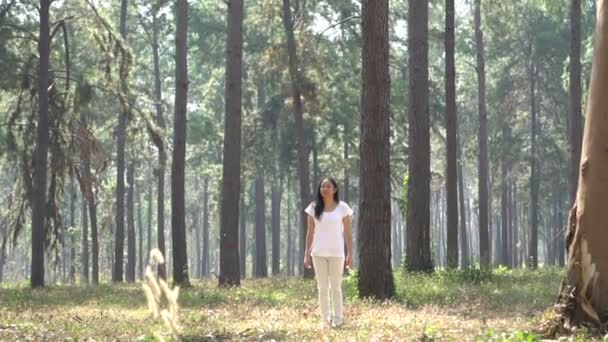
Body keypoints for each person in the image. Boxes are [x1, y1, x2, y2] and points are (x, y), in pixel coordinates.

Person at [304, 177, 354, 329]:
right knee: (323, 288)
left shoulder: (342, 208)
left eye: (328, 186)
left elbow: (347, 233)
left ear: (335, 189)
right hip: (318, 253)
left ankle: (338, 319)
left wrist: (350, 253)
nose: (324, 189)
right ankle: (325, 321)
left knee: (336, 287)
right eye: (322, 187)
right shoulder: (313, 208)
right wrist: (307, 254)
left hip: (337, 253)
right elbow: (310, 232)